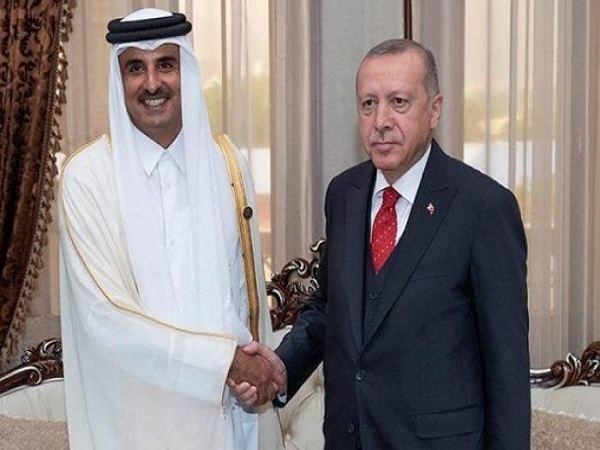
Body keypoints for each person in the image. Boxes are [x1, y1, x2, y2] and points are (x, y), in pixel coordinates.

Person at [233, 38, 531, 449]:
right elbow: (330, 308)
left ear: (435, 110)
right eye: (369, 104)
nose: (381, 121)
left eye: (399, 102)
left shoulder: (483, 207)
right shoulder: (344, 194)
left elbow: (507, 369)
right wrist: (282, 367)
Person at [58, 8, 284, 450]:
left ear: (188, 70)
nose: (152, 83)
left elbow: (243, 298)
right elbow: (108, 319)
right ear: (119, 79)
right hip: (139, 427)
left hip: (232, 422)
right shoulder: (87, 178)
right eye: (135, 68)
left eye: (166, 63)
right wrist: (226, 363)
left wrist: (255, 374)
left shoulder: (227, 164)